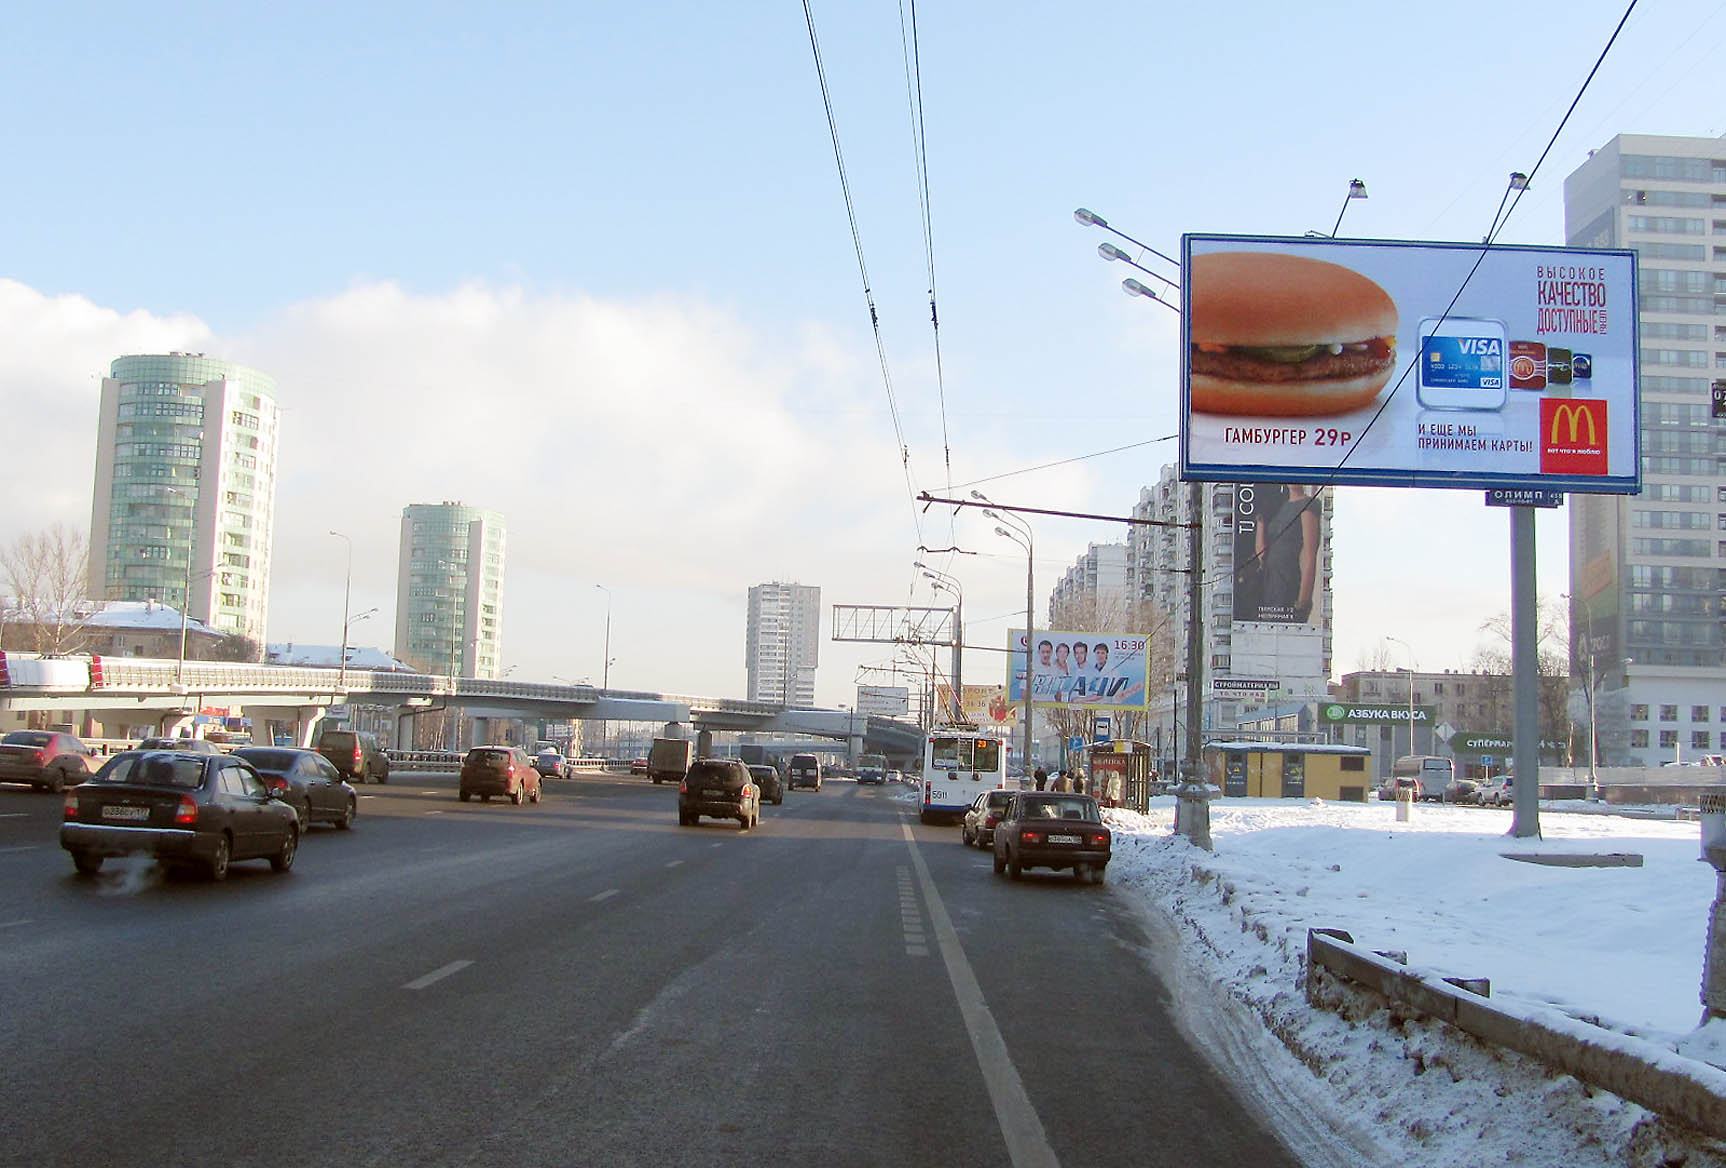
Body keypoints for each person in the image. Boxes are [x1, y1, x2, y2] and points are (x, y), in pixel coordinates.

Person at [1257, 483, 1321, 623]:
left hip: (1290, 584)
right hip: (1271, 584)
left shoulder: (1308, 504)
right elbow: (1261, 553)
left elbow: (1309, 554)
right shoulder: (1281, 507)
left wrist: (1302, 601)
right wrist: (1261, 521)